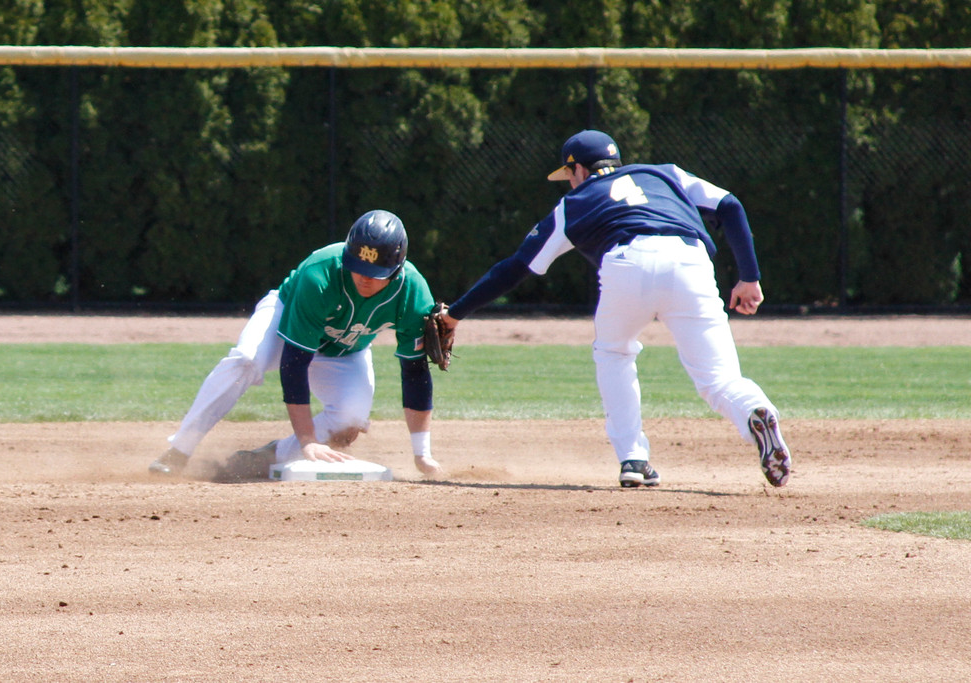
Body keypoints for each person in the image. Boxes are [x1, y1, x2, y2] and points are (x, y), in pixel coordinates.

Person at [441, 129, 791, 488]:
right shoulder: (665, 173)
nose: (569, 184)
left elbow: (516, 267)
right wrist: (749, 277)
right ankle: (753, 410)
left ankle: (634, 459)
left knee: (614, 353)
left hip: (627, 261)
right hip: (688, 259)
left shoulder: (575, 203)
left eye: (568, 175)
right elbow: (730, 205)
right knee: (719, 379)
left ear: (577, 169)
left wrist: (456, 313)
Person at [149, 209, 445, 482]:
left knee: (350, 420)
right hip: (284, 320)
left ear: (397, 268)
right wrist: (308, 439)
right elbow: (294, 363)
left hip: (345, 350)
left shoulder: (413, 293)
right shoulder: (321, 273)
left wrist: (422, 454)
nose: (364, 278)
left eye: (375, 272)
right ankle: (179, 450)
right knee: (246, 359)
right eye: (357, 267)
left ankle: (267, 457)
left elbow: (414, 372)